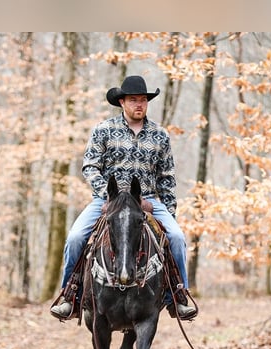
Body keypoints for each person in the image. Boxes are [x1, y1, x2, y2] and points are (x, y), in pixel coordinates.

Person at [50, 75, 198, 321]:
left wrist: (167, 212)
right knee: (76, 237)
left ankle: (178, 296)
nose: (139, 104)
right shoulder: (104, 130)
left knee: (177, 237)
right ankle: (70, 295)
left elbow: (167, 177)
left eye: (143, 100)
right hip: (107, 200)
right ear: (122, 102)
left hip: (147, 200)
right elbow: (90, 166)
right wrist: (106, 195)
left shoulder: (160, 135)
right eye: (133, 100)